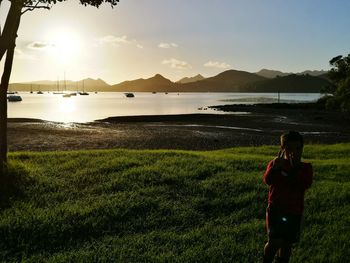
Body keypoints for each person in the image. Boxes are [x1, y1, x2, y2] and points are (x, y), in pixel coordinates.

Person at [262, 131, 313, 263]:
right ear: (282, 149)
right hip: (276, 209)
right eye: (289, 148)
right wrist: (274, 168)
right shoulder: (276, 164)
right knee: (274, 241)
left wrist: (295, 169)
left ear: (302, 148)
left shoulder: (305, 168)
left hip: (294, 212)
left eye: (298, 148)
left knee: (287, 243)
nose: (294, 152)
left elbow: (305, 184)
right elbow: (267, 180)